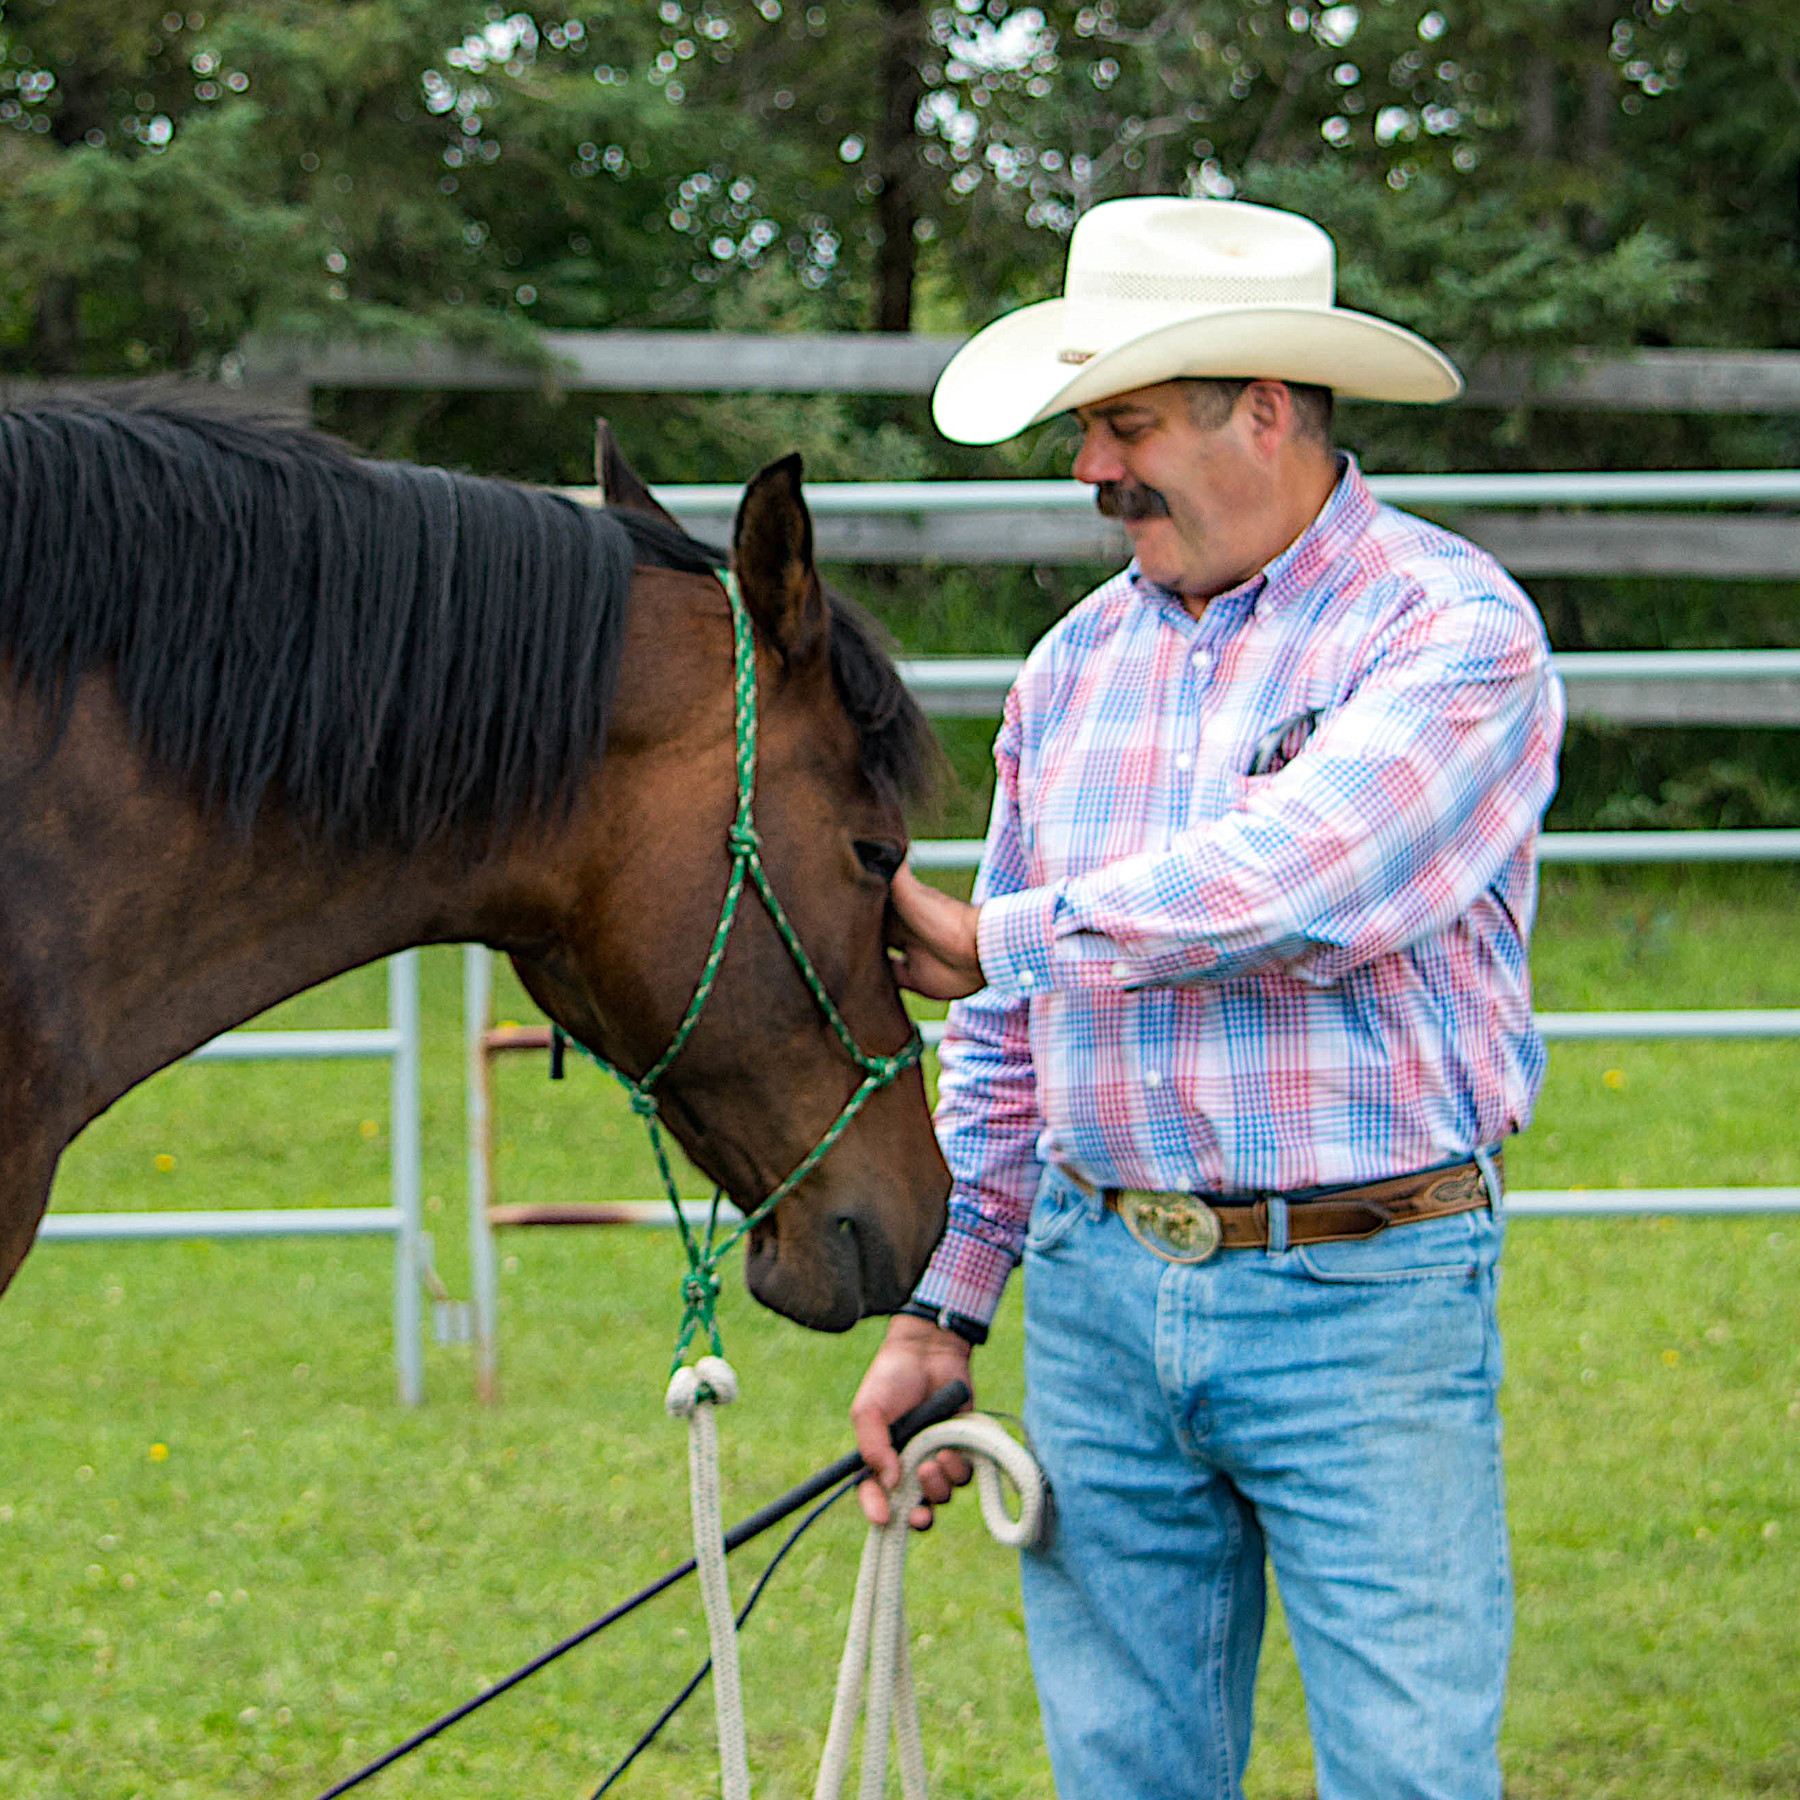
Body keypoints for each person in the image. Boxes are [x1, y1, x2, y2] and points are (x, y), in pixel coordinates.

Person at [849, 196, 1566, 1800]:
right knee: (1127, 1776)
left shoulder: (1452, 636)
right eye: (1088, 427)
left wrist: (1001, 936)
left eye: (1124, 423)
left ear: (1263, 407)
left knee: (1410, 1774)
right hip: (1102, 1293)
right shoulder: (1071, 669)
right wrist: (945, 1304)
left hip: (1363, 1296)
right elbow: (1010, 1054)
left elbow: (1304, 882)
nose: (1092, 470)